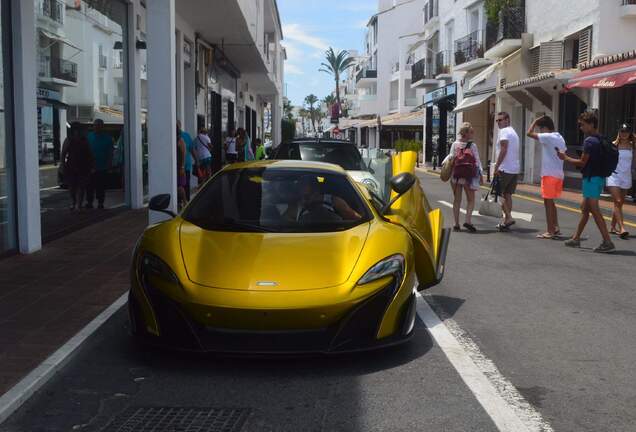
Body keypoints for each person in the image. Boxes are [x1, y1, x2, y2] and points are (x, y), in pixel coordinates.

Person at [557, 111, 615, 253]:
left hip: (591, 179)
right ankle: (576, 238)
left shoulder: (589, 141)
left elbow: (582, 162)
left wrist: (565, 158)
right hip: (599, 178)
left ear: (591, 124)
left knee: (594, 210)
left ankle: (607, 241)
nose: (580, 128)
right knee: (585, 209)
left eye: (582, 125)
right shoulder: (601, 138)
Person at [526, 115, 567, 239]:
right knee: (551, 202)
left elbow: (529, 133)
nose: (539, 132)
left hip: (549, 174)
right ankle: (556, 227)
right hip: (558, 174)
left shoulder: (548, 136)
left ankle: (550, 231)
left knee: (548, 203)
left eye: (540, 128)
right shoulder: (560, 137)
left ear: (545, 128)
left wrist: (534, 121)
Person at [449, 122, 483, 232]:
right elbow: (477, 162)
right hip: (468, 178)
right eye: (471, 132)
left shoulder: (455, 144)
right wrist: (481, 175)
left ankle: (456, 223)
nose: (473, 134)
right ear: (466, 133)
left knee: (457, 200)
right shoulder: (472, 146)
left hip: (456, 176)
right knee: (471, 200)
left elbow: (451, 159)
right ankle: (468, 221)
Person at [493, 112, 521, 231]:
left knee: (498, 193)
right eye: (497, 121)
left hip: (504, 168)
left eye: (501, 120)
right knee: (507, 194)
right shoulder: (513, 132)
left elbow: (504, 149)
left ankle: (508, 217)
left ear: (507, 120)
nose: (498, 122)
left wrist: (496, 166)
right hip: (514, 169)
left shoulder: (504, 132)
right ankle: (506, 221)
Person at [607, 124, 635, 239]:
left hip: (626, 176)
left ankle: (613, 226)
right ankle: (622, 227)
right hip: (614, 176)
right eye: (622, 131)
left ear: (630, 133)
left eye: (626, 131)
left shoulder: (633, 145)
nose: (624, 133)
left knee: (619, 203)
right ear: (619, 132)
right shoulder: (614, 145)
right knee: (618, 201)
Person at [60, 122, 94, 211]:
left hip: (83, 166)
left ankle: (79, 204)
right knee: (72, 186)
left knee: (81, 186)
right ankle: (73, 202)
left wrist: (91, 165)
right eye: (75, 129)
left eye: (78, 129)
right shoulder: (68, 140)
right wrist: (62, 165)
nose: (77, 131)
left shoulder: (84, 140)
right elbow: (63, 154)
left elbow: (89, 154)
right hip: (71, 165)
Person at [85, 119, 114, 209]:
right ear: (93, 126)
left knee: (101, 186)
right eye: (95, 125)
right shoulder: (88, 137)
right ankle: (89, 202)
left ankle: (100, 202)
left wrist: (109, 165)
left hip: (102, 166)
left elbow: (110, 153)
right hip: (90, 166)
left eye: (99, 125)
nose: (97, 127)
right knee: (89, 186)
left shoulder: (108, 138)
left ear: (102, 126)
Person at [177, 120, 198, 202]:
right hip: (179, 166)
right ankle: (181, 202)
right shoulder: (173, 136)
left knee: (185, 185)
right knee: (181, 185)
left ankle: (186, 203)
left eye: (177, 125)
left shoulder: (185, 136)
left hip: (185, 166)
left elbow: (191, 149)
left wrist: (196, 160)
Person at [176, 126, 187, 209]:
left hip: (179, 166)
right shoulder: (174, 139)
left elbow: (184, 154)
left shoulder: (180, 140)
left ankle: (185, 202)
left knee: (180, 186)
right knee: (177, 186)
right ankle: (180, 202)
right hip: (175, 167)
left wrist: (182, 167)